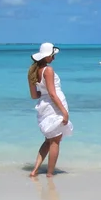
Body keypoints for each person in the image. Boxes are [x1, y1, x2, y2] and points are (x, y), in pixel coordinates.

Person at [27, 42, 73, 178]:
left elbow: (34, 95)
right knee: (55, 141)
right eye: (52, 55)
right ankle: (50, 174)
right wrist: (64, 112)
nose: (53, 58)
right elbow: (53, 94)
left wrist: (44, 95)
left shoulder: (32, 72)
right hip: (54, 107)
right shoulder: (48, 70)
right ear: (46, 56)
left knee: (48, 140)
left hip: (44, 106)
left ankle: (35, 170)